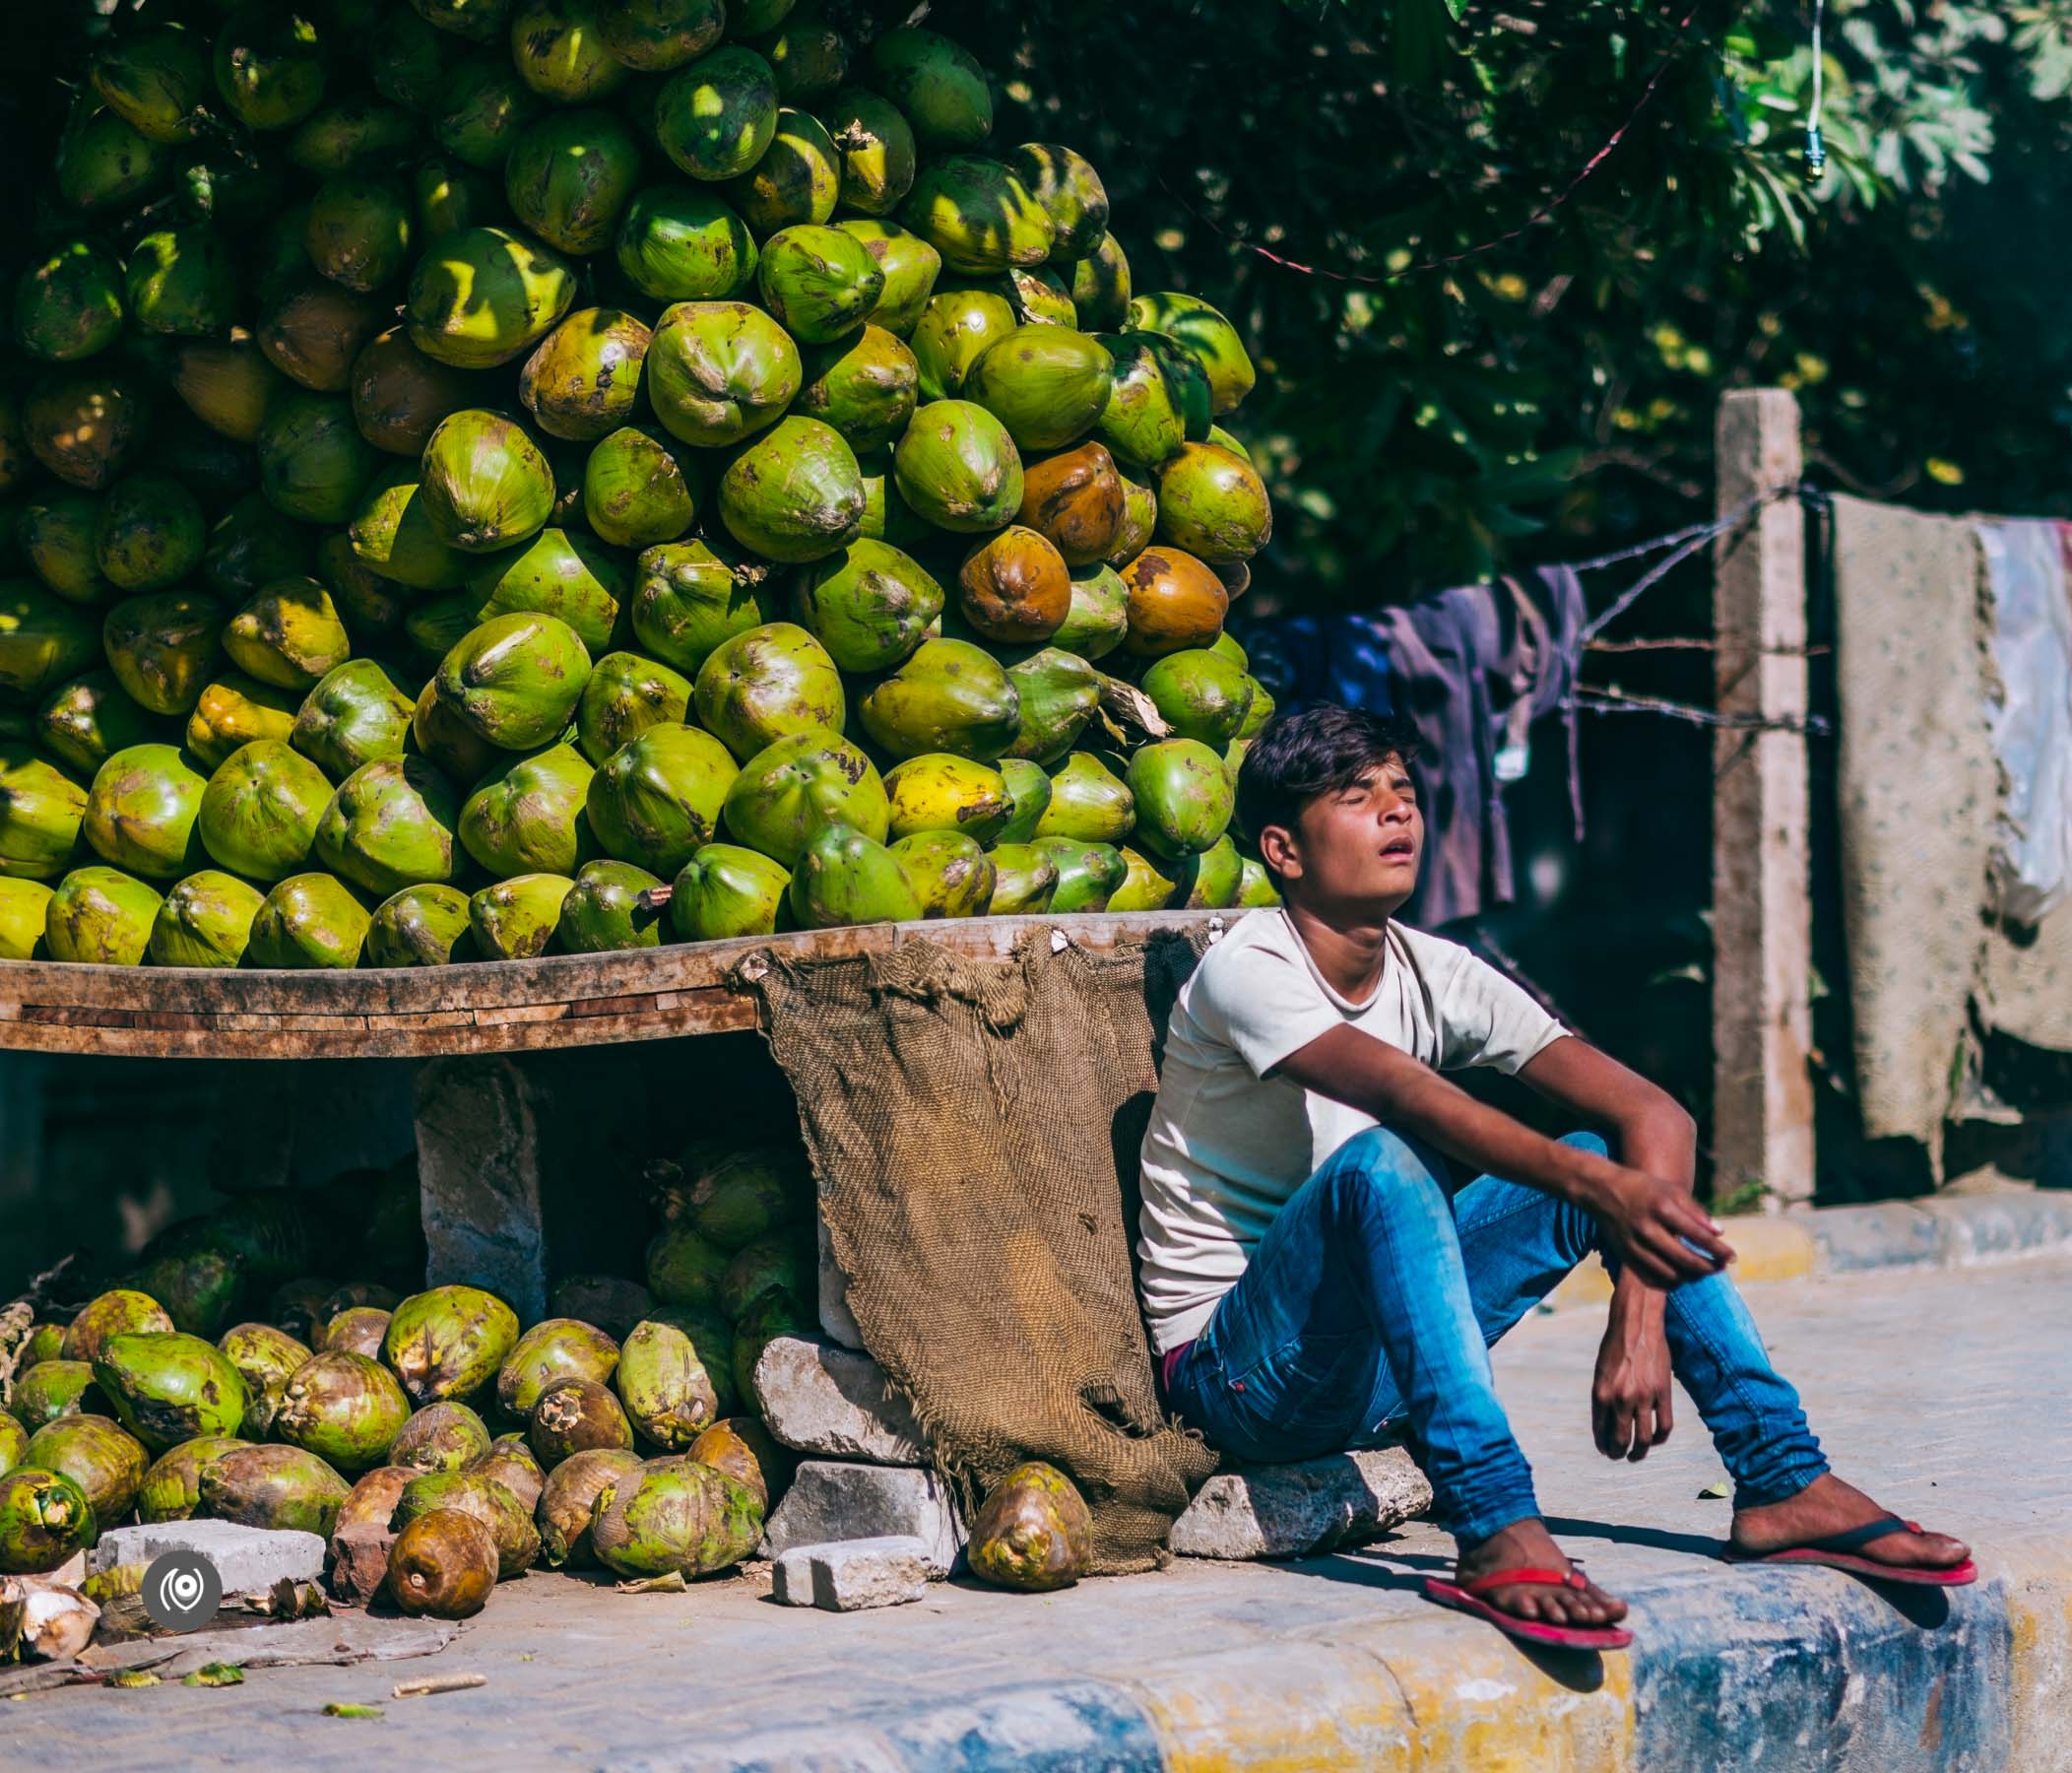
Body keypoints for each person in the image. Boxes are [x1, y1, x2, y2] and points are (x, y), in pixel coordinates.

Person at [1138, 702, 1972, 1648]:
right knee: (1388, 1160)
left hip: (1371, 1365)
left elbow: (1655, 1115)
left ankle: (1781, 1478)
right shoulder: (1250, 968)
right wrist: (1603, 1198)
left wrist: (1641, 1308)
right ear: (1285, 851)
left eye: (1404, 792)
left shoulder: (1432, 969)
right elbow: (1414, 1103)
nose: (1396, 814)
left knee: (1600, 1152)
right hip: (1244, 1375)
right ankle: (1493, 1524)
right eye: (1357, 795)